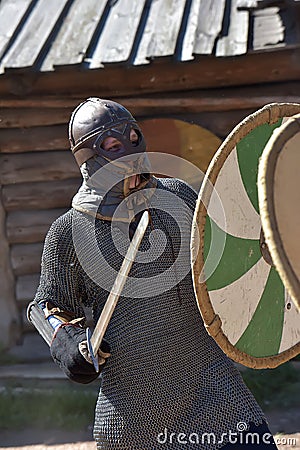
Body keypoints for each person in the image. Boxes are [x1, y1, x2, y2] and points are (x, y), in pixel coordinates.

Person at [28, 97, 278, 449]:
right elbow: (46, 306)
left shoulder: (178, 197)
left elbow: (223, 265)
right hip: (135, 413)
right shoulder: (70, 231)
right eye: (114, 145)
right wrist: (68, 343)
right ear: (90, 159)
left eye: (133, 138)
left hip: (213, 390)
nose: (129, 151)